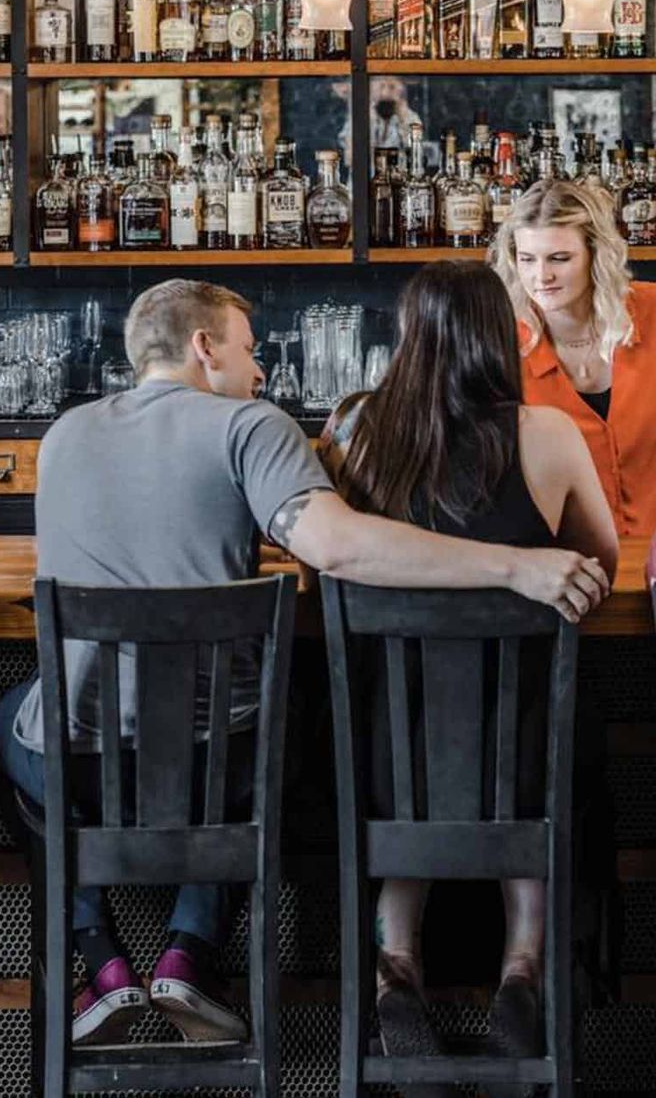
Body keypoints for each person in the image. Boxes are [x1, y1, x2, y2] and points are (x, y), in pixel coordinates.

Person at [0, 278, 609, 1050]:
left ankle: (100, 960)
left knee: (5, 721)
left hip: (77, 765)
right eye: (249, 350)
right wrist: (517, 566)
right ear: (203, 347)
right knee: (283, 723)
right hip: (225, 758)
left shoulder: (63, 436)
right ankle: (191, 948)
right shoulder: (250, 426)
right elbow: (338, 545)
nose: (260, 372)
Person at [321, 261, 617, 1098]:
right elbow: (601, 563)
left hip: (386, 757)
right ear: (499, 332)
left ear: (408, 336)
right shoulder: (548, 433)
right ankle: (522, 969)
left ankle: (396, 965)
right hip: (526, 756)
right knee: (534, 741)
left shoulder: (352, 429)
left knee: (409, 745)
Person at [491, 178, 656, 536]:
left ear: (597, 255)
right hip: (561, 568)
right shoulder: (499, 343)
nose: (541, 276)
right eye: (527, 259)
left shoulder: (651, 311)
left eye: (559, 258)